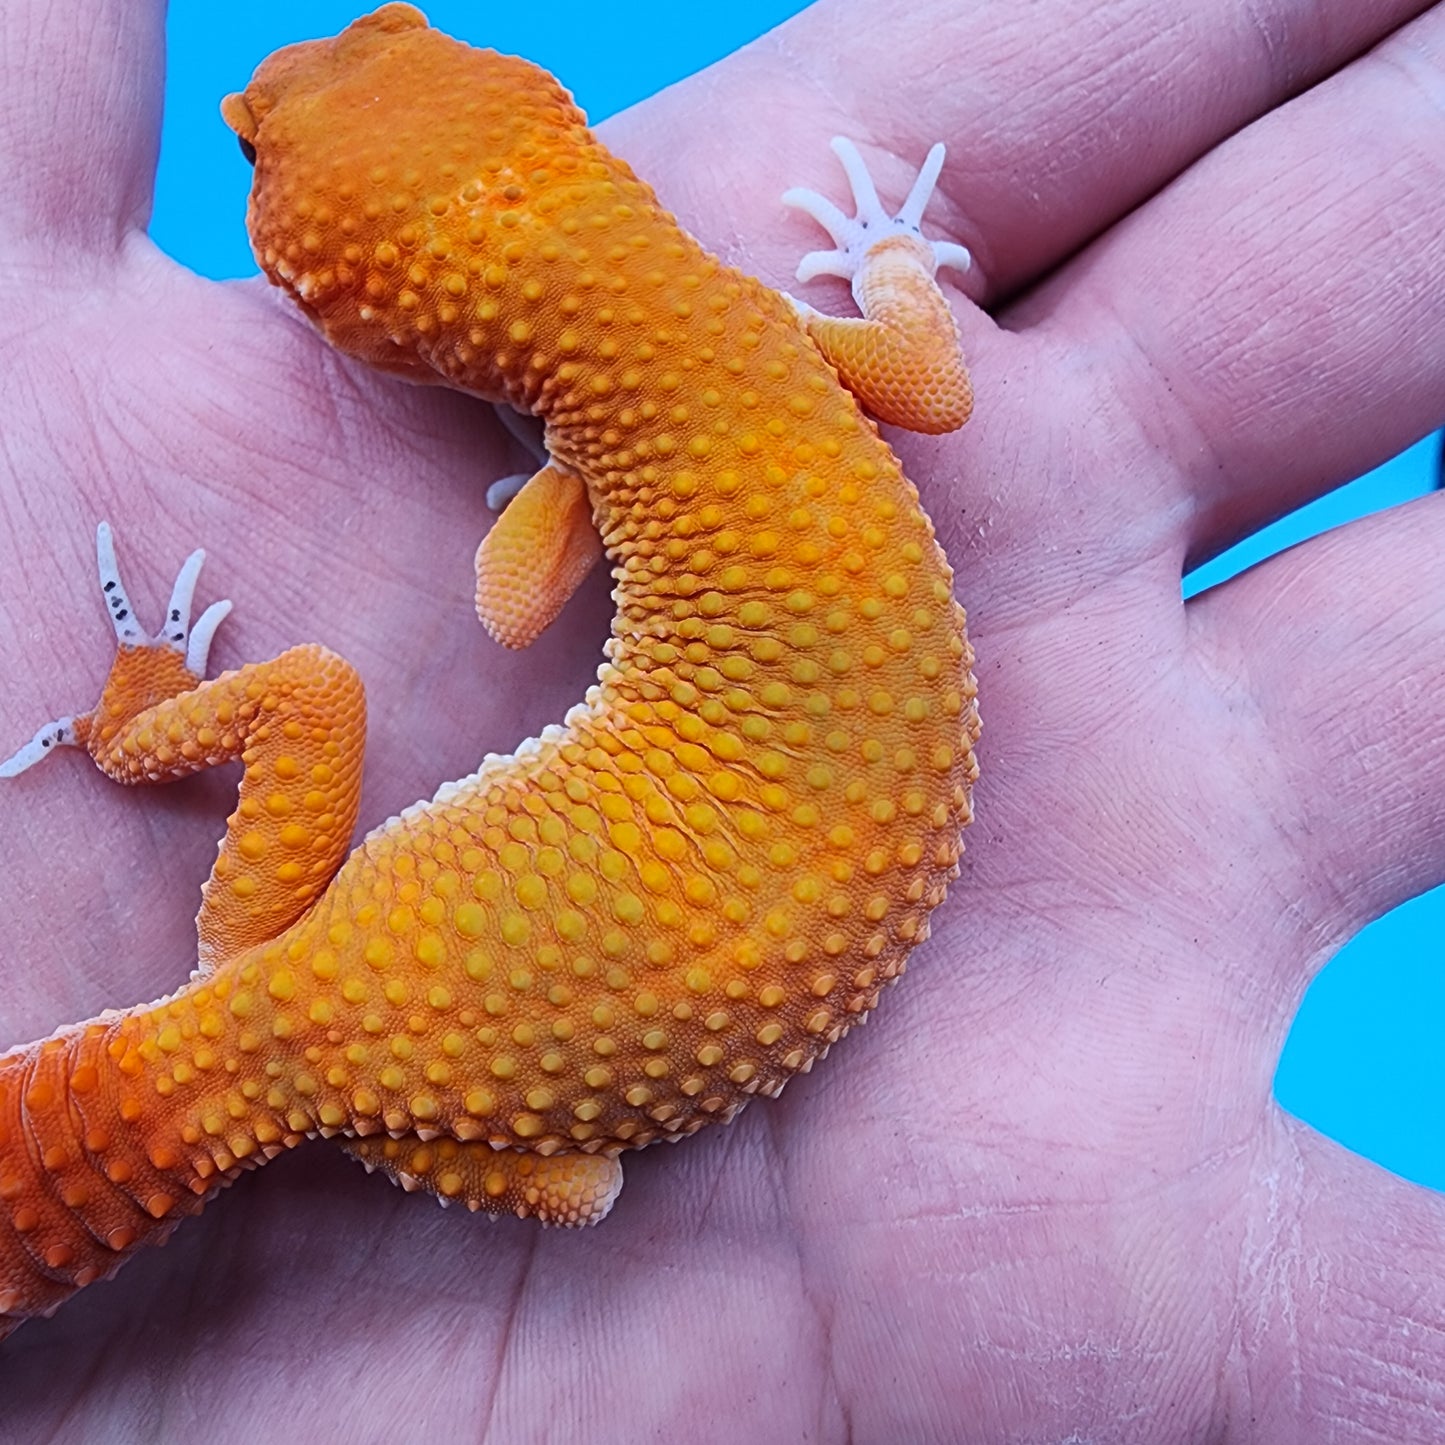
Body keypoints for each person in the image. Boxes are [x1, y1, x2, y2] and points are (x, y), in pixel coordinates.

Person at [1, 0, 1442, 1436]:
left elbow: (513, 606)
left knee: (325, 720)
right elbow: (928, 381)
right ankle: (155, 745)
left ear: (382, 314)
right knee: (576, 1165)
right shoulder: (745, 330)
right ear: (546, 129)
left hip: (405, 998)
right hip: (466, 1055)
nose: (259, 106)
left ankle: (130, 726)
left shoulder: (611, 433)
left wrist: (580, 471)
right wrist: (884, 261)